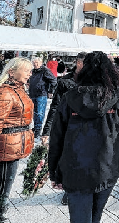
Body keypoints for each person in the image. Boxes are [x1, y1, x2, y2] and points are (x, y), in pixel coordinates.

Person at [48, 51, 119, 223]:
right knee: (95, 216)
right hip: (108, 166)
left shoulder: (69, 98)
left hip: (75, 168)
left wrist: (53, 171)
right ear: (110, 71)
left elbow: (56, 137)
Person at [0, 57, 34, 198]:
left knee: (1, 192)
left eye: (31, 71)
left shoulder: (17, 89)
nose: (30, 74)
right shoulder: (4, 93)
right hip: (5, 150)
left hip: (13, 148)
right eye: (26, 70)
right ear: (11, 72)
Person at [41, 52, 87, 205]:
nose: (85, 67)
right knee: (68, 160)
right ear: (77, 63)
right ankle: (69, 190)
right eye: (83, 63)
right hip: (67, 128)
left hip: (86, 129)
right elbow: (55, 107)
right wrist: (46, 131)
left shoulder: (92, 81)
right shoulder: (65, 82)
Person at [29, 57, 57, 139]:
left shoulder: (45, 70)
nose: (35, 64)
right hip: (32, 94)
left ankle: (38, 129)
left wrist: (50, 91)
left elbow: (53, 80)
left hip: (41, 94)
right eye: (34, 62)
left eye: (37, 63)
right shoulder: (33, 71)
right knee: (34, 112)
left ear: (41, 63)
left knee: (40, 113)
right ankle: (35, 127)